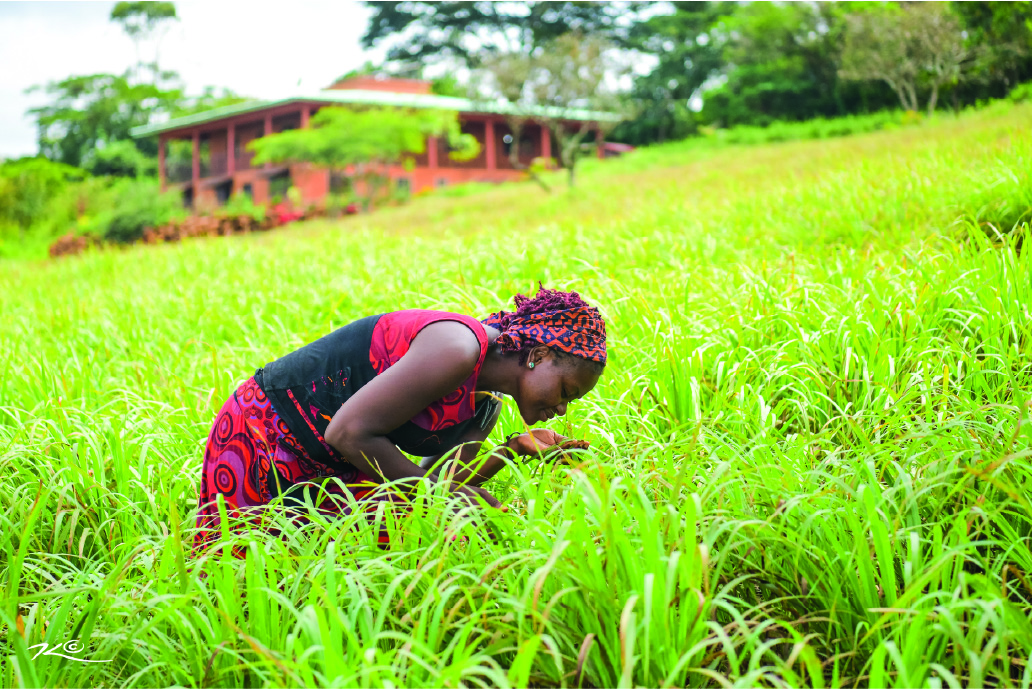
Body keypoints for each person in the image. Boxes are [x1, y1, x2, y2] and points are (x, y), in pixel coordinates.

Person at [193, 284, 607, 552]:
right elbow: (348, 433)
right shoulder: (458, 348)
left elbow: (430, 487)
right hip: (265, 434)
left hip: (333, 468)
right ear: (537, 356)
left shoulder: (486, 405)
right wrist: (441, 499)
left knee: (396, 542)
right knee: (239, 580)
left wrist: (511, 452)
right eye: (567, 392)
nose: (563, 408)